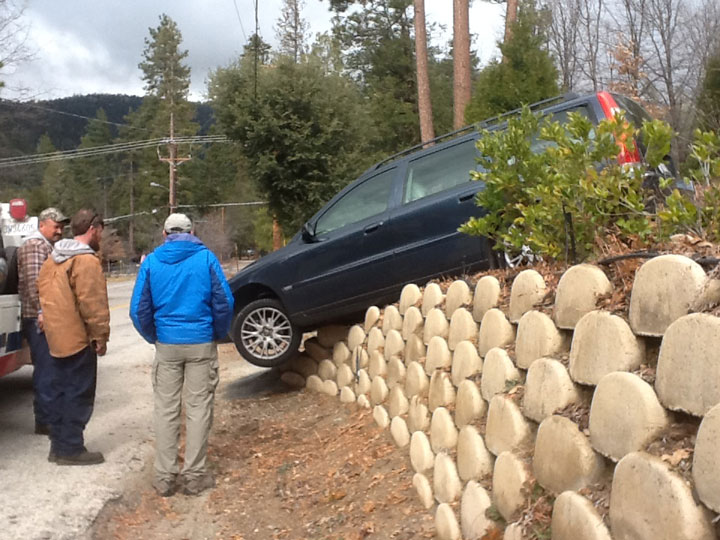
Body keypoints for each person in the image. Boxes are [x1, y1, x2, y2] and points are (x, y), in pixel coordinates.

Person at [130, 213, 234, 497]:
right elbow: (224, 302)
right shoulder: (206, 259)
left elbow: (138, 309)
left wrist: (155, 336)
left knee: (166, 410)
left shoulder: (151, 262)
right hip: (201, 342)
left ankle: (164, 478)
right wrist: (216, 333)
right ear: (193, 231)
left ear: (164, 234)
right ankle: (194, 476)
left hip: (167, 344)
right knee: (199, 409)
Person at [37, 209, 110, 465]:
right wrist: (100, 336)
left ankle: (57, 445)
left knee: (60, 391)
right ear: (94, 229)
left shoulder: (54, 258)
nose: (101, 234)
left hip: (56, 338)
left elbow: (42, 292)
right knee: (78, 394)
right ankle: (70, 449)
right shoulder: (86, 261)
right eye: (101, 230)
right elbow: (93, 303)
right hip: (78, 339)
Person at [17, 207, 69, 435]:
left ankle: (50, 415)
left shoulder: (45, 246)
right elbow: (33, 283)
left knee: (51, 368)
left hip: (45, 315)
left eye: (61, 227)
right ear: (42, 225)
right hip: (38, 317)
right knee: (46, 370)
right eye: (55, 226)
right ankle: (45, 420)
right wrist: (41, 312)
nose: (59, 230)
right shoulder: (34, 246)